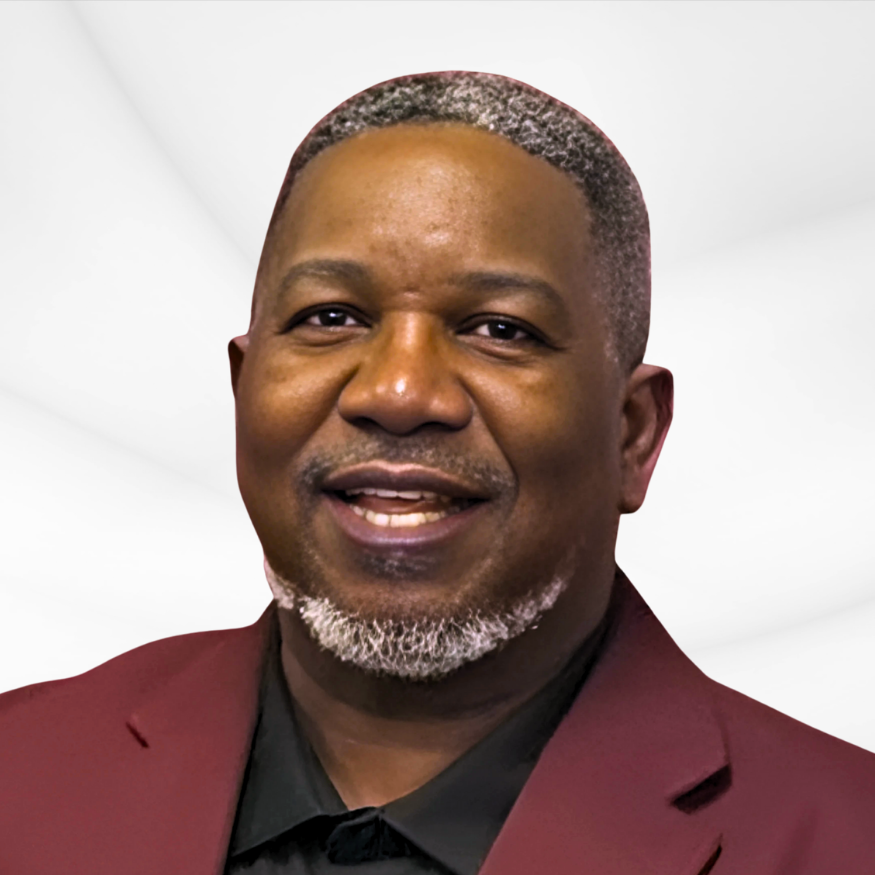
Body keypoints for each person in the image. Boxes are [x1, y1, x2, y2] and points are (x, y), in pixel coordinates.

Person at [1, 71, 873, 875]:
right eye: (331, 316)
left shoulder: (843, 836)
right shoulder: (19, 775)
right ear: (243, 390)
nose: (398, 391)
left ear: (632, 435)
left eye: (499, 329)